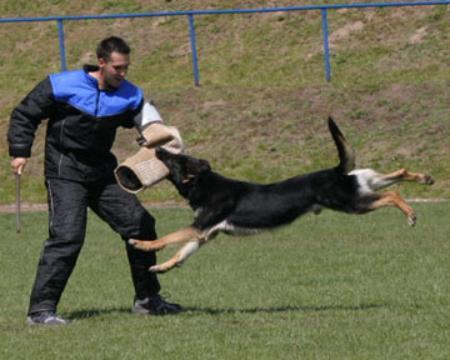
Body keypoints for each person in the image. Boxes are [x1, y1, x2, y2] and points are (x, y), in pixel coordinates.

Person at [7, 36, 182, 325]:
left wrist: (159, 135)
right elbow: (25, 114)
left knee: (141, 225)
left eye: (126, 68)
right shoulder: (62, 84)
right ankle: (41, 311)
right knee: (68, 237)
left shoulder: (129, 94)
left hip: (102, 173)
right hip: (65, 171)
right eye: (117, 68)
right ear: (101, 62)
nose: (122, 74)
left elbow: (148, 120)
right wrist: (20, 151)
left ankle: (148, 301)